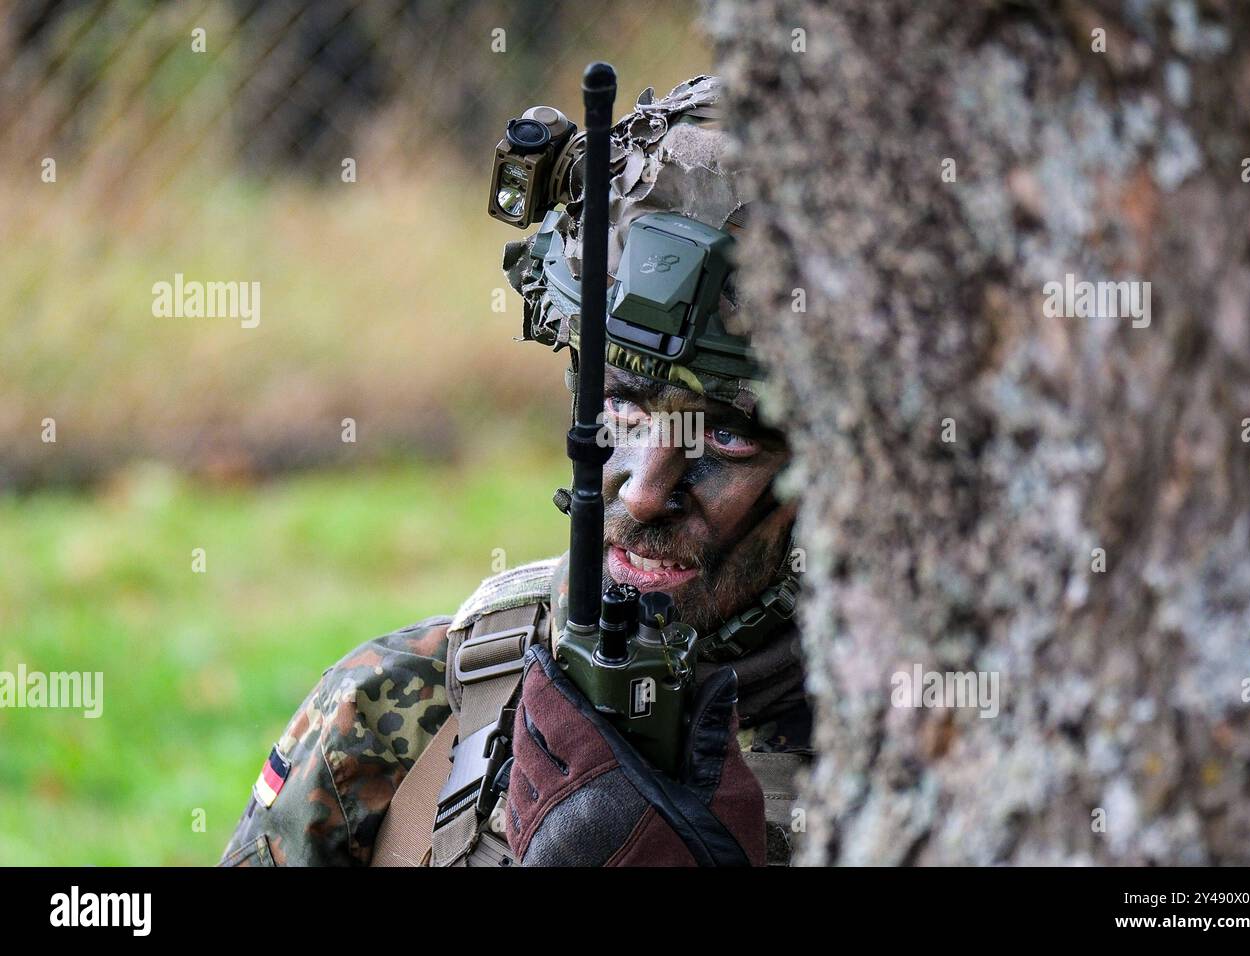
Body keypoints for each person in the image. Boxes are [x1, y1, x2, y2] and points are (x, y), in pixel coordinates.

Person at [220, 75, 809, 868]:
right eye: (623, 408)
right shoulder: (410, 707)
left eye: (729, 439)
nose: (641, 490)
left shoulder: (949, 769)